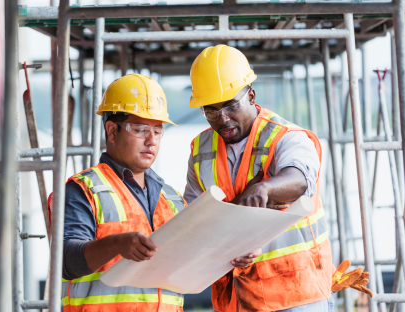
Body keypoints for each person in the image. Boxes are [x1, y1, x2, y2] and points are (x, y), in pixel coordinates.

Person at [183, 45, 335, 312]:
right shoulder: (200, 150)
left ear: (251, 95)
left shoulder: (286, 136)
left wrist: (266, 188)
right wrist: (223, 247)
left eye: (231, 106)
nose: (223, 118)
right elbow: (194, 218)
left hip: (296, 294)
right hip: (237, 299)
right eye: (211, 110)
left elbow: (300, 179)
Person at [48, 74, 189, 311]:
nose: (151, 141)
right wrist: (116, 244)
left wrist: (227, 256)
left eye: (157, 130)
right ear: (112, 132)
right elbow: (66, 261)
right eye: (140, 129)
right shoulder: (84, 190)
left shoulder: (172, 198)